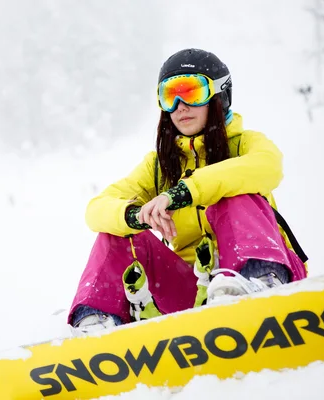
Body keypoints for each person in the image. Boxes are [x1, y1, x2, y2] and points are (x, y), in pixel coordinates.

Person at [68, 48, 308, 334]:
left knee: (233, 193)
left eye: (192, 92)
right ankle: (96, 325)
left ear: (220, 95)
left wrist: (185, 192)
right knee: (116, 232)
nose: (180, 106)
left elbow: (269, 167)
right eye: (170, 95)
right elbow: (96, 209)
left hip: (269, 268)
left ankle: (259, 282)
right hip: (193, 292)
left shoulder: (245, 145)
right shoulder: (159, 166)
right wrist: (135, 216)